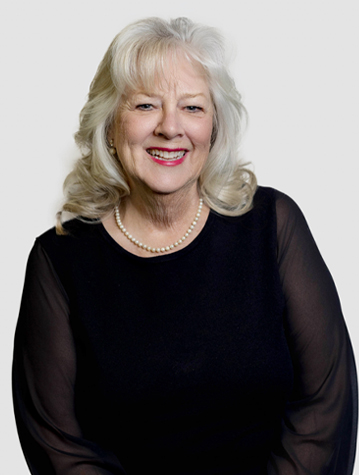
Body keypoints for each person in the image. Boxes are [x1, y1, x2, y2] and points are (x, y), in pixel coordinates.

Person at [12, 17, 357, 475]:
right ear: (111, 123)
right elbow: (57, 445)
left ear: (214, 126)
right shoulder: (59, 261)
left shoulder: (273, 225)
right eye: (146, 105)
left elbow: (326, 404)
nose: (170, 128)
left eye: (192, 107)